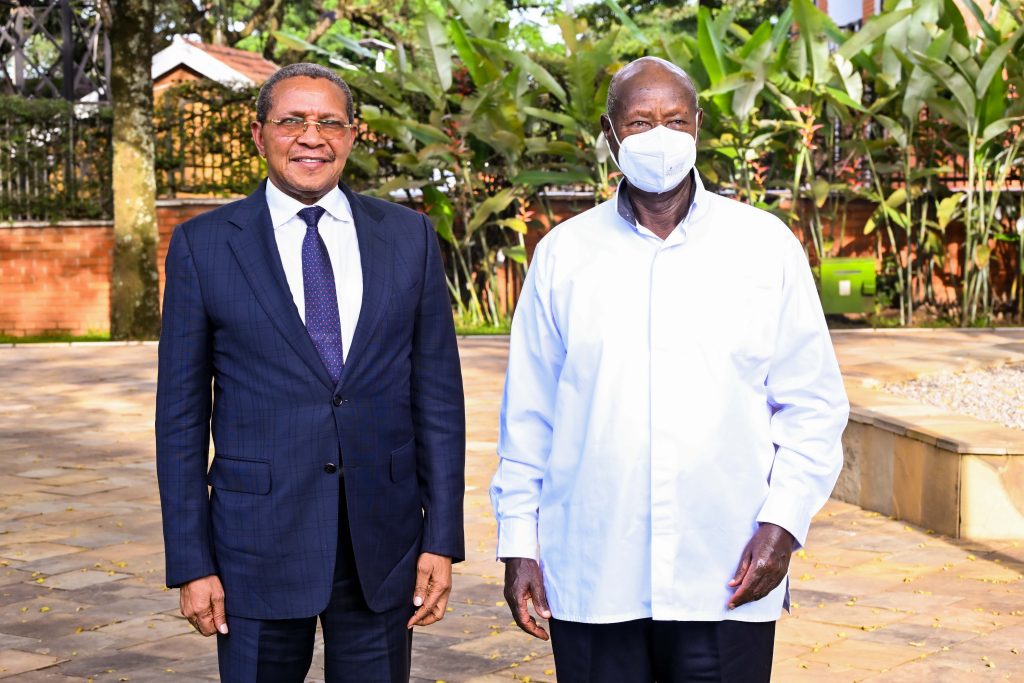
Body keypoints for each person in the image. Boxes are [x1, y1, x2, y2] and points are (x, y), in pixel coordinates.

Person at [490, 56, 849, 682]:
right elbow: (529, 416)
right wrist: (519, 544)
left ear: (698, 127)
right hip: (598, 574)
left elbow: (812, 405)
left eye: (675, 120)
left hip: (726, 572)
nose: (659, 136)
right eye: (639, 122)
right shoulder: (564, 256)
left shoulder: (764, 248)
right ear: (609, 134)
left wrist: (784, 523)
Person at [156, 62, 465, 683]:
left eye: (329, 122)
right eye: (291, 120)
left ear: (354, 134)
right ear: (259, 134)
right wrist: (191, 562)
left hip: (382, 545)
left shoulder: (408, 237)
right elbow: (182, 420)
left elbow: (438, 401)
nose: (311, 137)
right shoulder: (204, 245)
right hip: (254, 548)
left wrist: (441, 540)